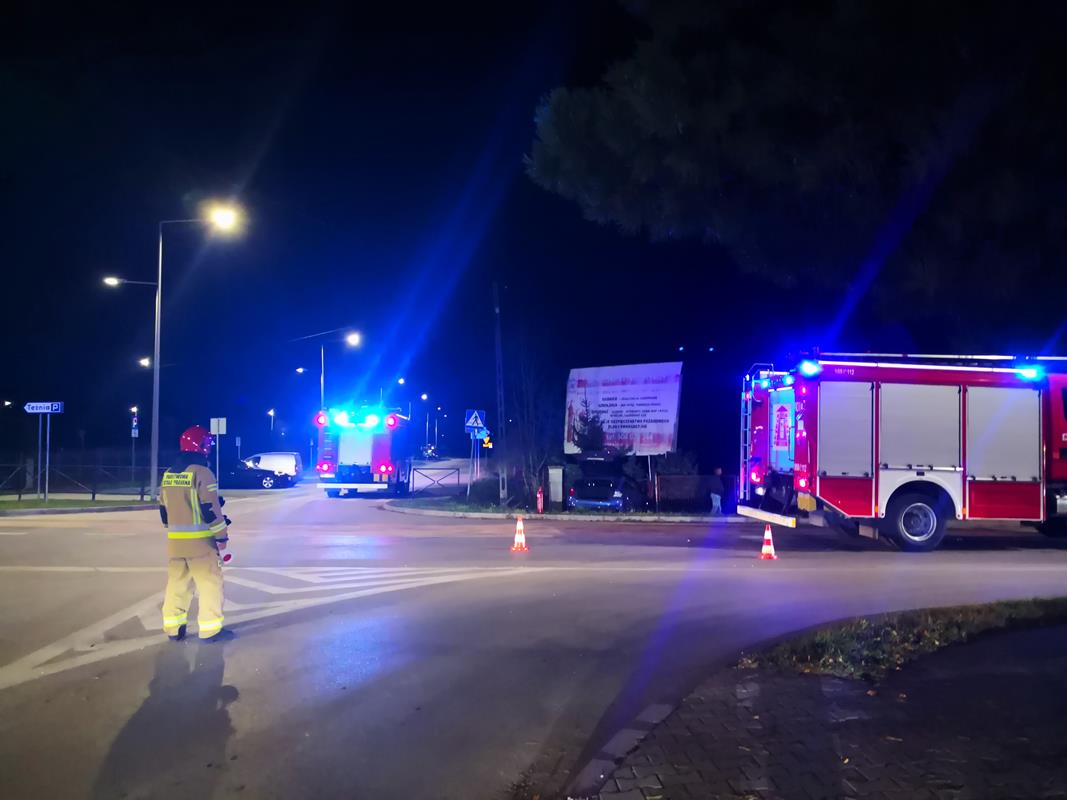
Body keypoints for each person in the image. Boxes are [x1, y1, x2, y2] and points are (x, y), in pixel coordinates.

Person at [158, 425, 231, 642]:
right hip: (201, 543)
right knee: (210, 584)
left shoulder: (169, 474)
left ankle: (173, 628)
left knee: (177, 584)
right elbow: (210, 508)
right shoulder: (202, 472)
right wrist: (221, 536)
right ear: (199, 446)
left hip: (175, 543)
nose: (209, 447)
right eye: (207, 443)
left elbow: (163, 509)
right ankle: (210, 630)